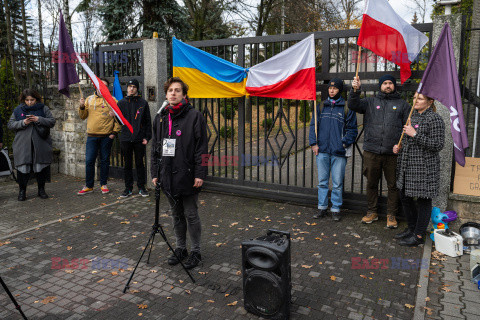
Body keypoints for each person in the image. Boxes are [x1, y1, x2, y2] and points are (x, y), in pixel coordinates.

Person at [151, 77, 208, 270]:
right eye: (170, 91)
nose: (173, 93)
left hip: (189, 175)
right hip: (167, 176)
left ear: (184, 94)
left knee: (191, 214)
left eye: (177, 90)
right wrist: (155, 172)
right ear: (166, 94)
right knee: (176, 215)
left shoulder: (194, 116)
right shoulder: (160, 117)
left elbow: (202, 148)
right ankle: (181, 248)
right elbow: (155, 148)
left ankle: (196, 251)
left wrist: (200, 173)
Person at [349, 75, 410, 228]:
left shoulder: (403, 105)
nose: (388, 85)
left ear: (394, 86)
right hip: (372, 151)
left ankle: (391, 215)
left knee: (393, 185)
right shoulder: (370, 102)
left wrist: (402, 144)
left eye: (390, 83)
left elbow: (409, 128)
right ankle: (372, 212)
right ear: (380, 86)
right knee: (371, 183)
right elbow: (353, 104)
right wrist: (355, 90)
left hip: (392, 153)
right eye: (385, 83)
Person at [393, 93, 445, 246]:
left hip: (424, 168)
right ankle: (411, 229)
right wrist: (399, 147)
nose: (415, 100)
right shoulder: (412, 116)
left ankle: (419, 235)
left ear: (430, 101)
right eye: (414, 97)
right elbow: (408, 140)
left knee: (423, 200)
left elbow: (437, 145)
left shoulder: (435, 119)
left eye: (420, 98)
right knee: (404, 196)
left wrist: (414, 134)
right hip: (407, 165)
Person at [309, 78, 358, 221]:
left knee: (337, 183)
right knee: (322, 181)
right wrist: (313, 143)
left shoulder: (347, 107)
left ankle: (336, 209)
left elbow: (352, 130)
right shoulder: (321, 106)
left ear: (339, 90)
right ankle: (322, 208)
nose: (331, 91)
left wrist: (343, 144)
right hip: (322, 150)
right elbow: (313, 126)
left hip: (339, 152)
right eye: (330, 88)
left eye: (335, 88)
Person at [7, 89, 56, 201]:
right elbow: (10, 125)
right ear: (23, 100)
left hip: (41, 143)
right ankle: (22, 191)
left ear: (36, 99)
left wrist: (39, 119)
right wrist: (23, 122)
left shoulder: (44, 108)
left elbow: (52, 121)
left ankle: (41, 190)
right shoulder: (18, 110)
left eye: (32, 100)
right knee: (23, 168)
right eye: (27, 100)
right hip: (23, 144)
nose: (29, 102)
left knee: (41, 167)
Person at [77, 78, 121, 195]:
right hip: (92, 136)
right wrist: (81, 106)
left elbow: (119, 118)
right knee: (89, 160)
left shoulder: (113, 100)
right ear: (95, 86)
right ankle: (89, 185)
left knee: (105, 161)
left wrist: (114, 132)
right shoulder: (89, 99)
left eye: (105, 86)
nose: (102, 88)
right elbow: (83, 116)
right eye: (100, 85)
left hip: (106, 136)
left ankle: (103, 184)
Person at [117, 79, 152, 198]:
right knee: (127, 164)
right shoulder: (121, 103)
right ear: (127, 88)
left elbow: (148, 122)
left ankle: (141, 187)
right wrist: (114, 115)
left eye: (134, 87)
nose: (131, 89)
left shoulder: (143, 103)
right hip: (126, 138)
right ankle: (128, 188)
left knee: (139, 163)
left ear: (137, 89)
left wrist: (147, 137)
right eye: (130, 86)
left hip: (139, 139)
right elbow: (119, 121)